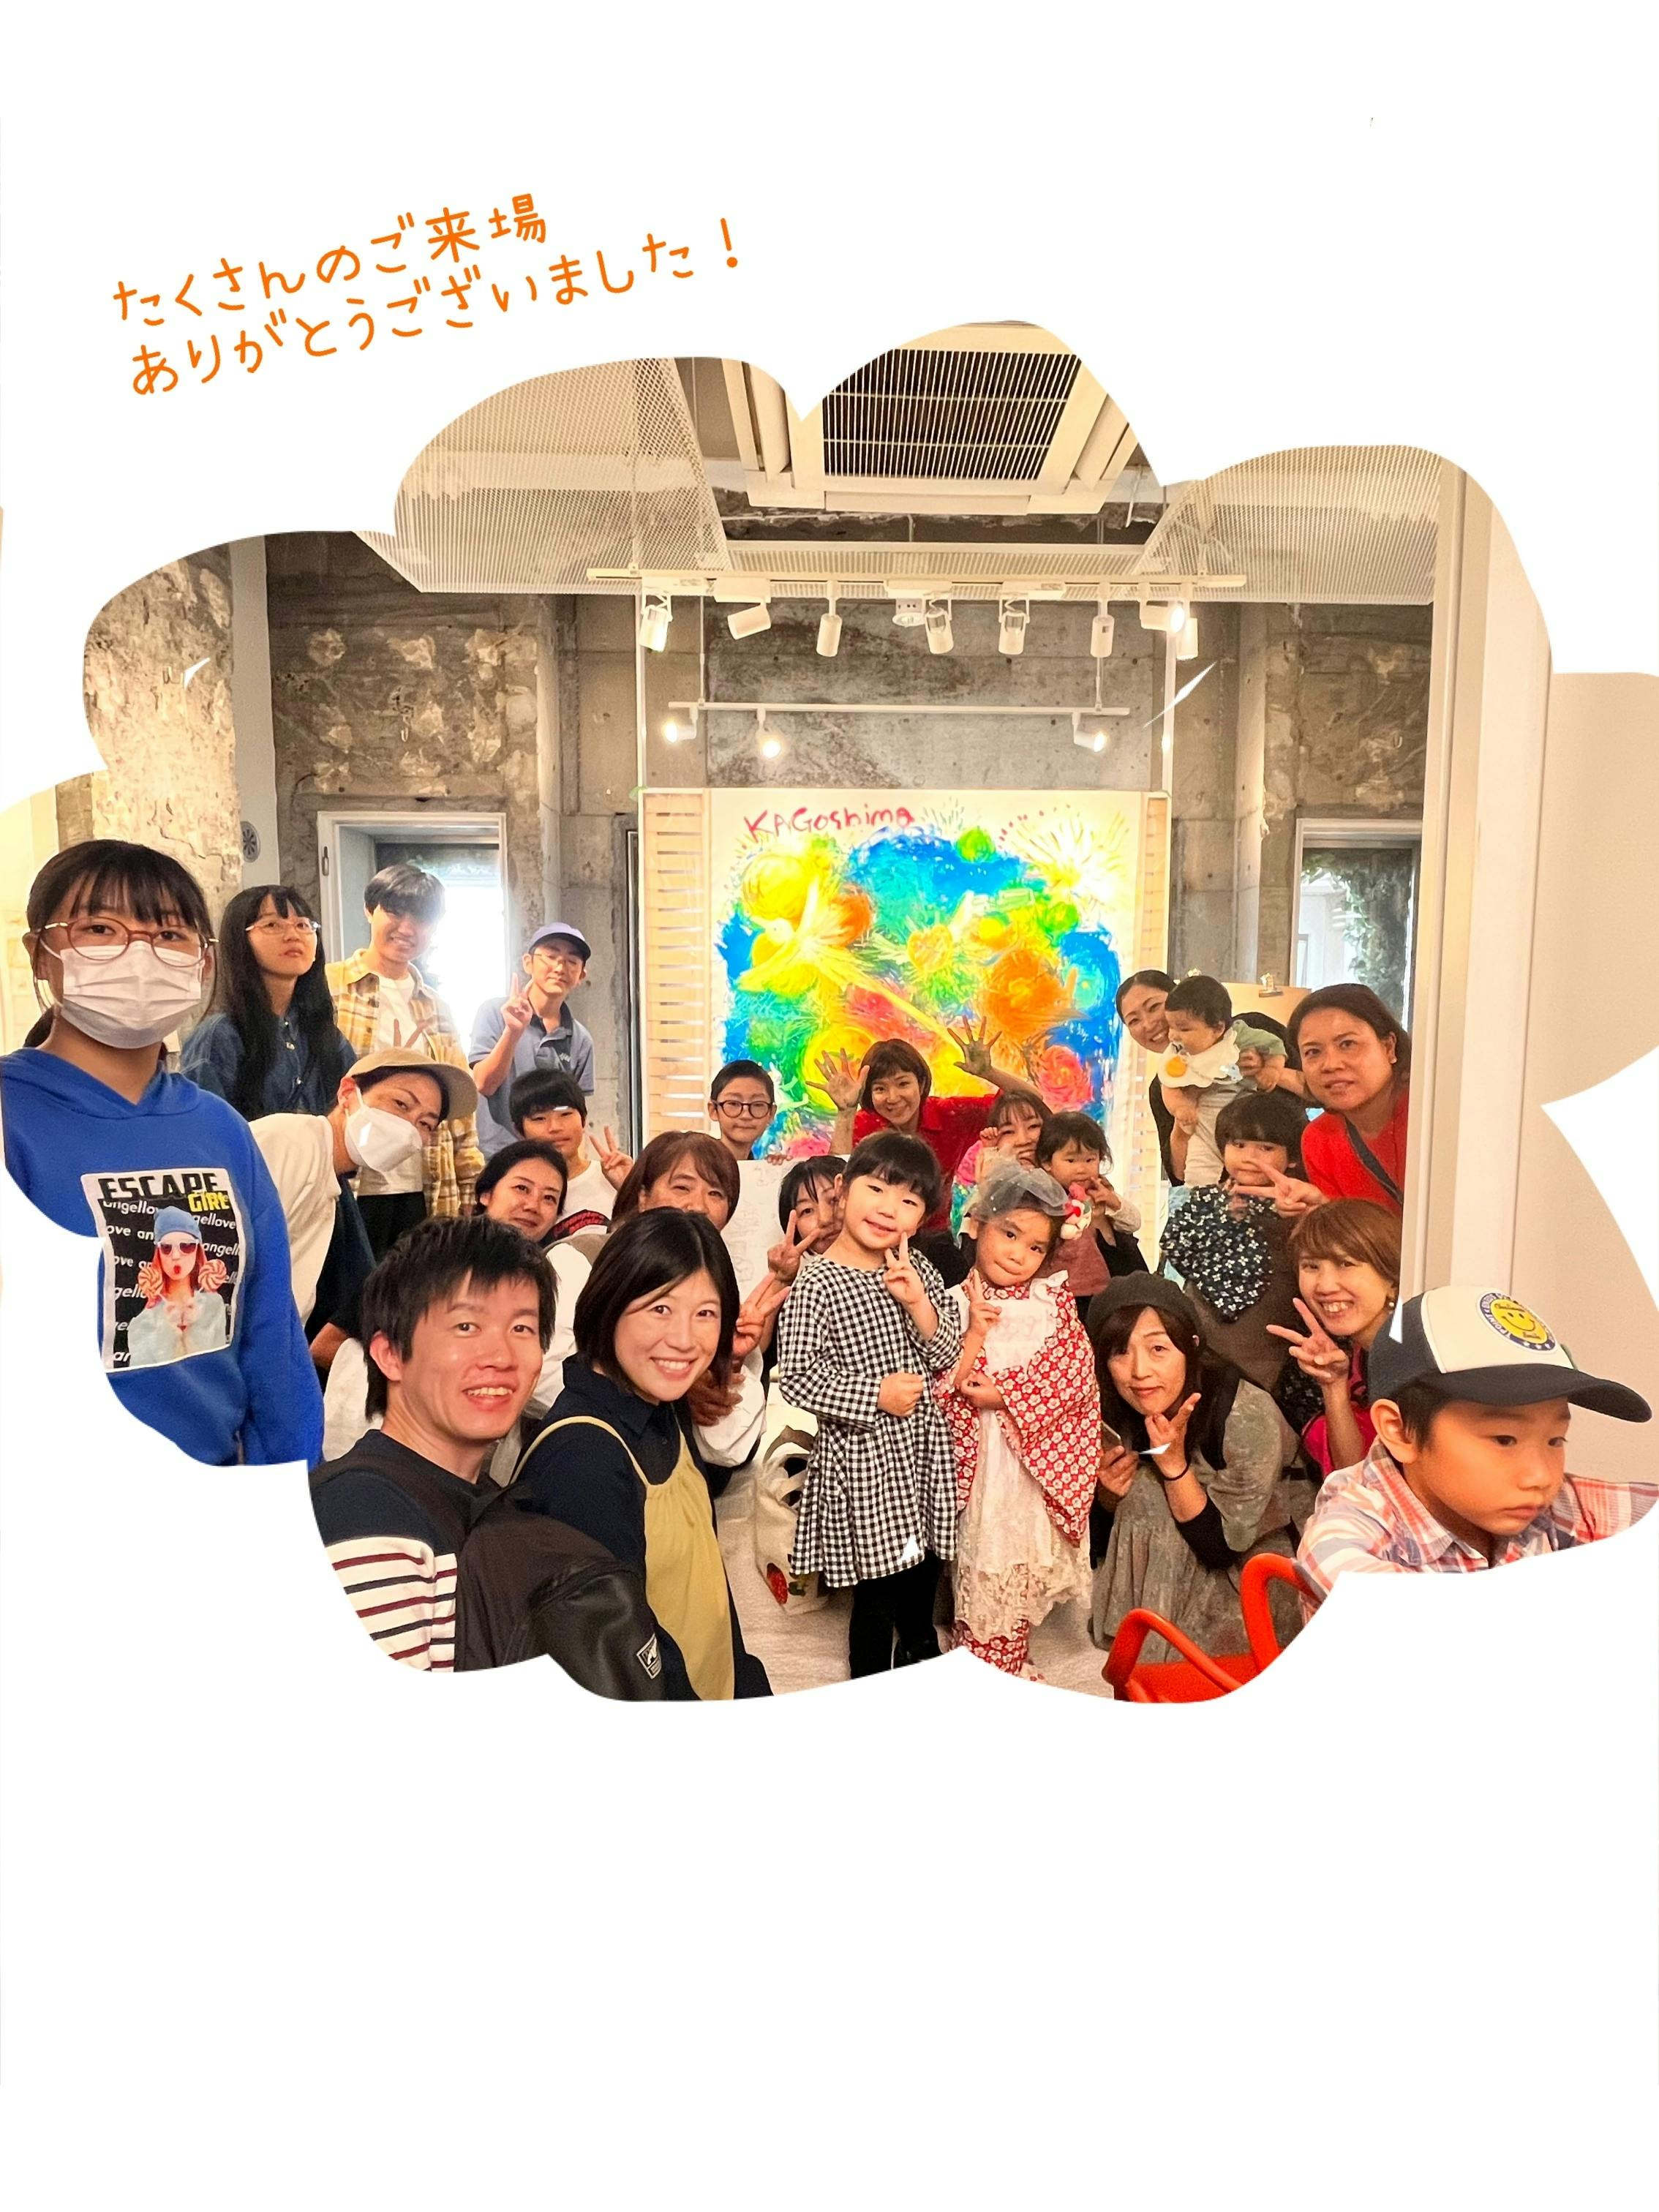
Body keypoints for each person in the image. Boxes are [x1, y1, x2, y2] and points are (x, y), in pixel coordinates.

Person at [1, 838, 321, 1467]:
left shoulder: (220, 1129)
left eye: (170, 935)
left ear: (204, 962)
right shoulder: (15, 1115)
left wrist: (289, 1481)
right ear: (40, 953)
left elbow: (270, 1334)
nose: (139, 954)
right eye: (100, 929)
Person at [514, 1211, 772, 1699]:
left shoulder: (661, 1407)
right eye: (660, 1308)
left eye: (706, 1314)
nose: (684, 1339)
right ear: (609, 1302)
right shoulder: (583, 1459)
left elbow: (705, 1583)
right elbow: (617, 1662)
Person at [1297, 1285, 1653, 1603]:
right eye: (1505, 1439)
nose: (1541, 1477)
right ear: (1400, 1430)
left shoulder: (1542, 1503)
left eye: (1555, 1440)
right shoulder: (1351, 1527)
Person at [775, 1132, 965, 1676]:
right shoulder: (816, 1283)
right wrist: (875, 1393)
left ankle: (920, 1646)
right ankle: (870, 1673)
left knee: (925, 1559)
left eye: (908, 1200)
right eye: (876, 1189)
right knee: (878, 1585)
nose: (888, 1208)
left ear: (922, 1218)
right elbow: (799, 1379)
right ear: (843, 1188)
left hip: (922, 1447)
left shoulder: (915, 1267)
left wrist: (919, 1302)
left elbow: (947, 1352)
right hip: (864, 1459)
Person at [320, 1135, 590, 1472]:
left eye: (550, 1198)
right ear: (486, 1193)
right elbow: (324, 1346)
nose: (534, 1205)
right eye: (522, 1188)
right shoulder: (433, 1258)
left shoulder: (548, 1276)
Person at [1089, 1276, 1311, 1663]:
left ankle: (1174, 1650)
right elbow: (1096, 1540)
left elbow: (1222, 1547)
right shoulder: (1111, 1403)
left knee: (1152, 1492)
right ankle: (1138, 1637)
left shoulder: (1244, 1411)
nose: (1139, 1370)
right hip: (1182, 1548)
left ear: (1191, 1346)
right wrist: (1107, 1494)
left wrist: (1174, 1467)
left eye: (1158, 1349)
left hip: (1253, 1562)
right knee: (1140, 1491)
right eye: (1120, 1352)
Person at [938, 1163, 1100, 1676]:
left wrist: (1006, 1395)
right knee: (981, 1553)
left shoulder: (1052, 1302)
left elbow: (1076, 1374)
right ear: (979, 1224)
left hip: (1031, 1457)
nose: (1018, 1254)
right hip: (977, 1456)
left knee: (1022, 1553)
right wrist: (974, 1370)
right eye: (1009, 1234)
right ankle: (982, 1660)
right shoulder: (950, 1302)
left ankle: (1009, 1655)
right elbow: (938, 1377)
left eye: (1034, 1247)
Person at [250, 1047, 462, 1337]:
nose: (408, 1128)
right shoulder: (289, 1142)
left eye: (425, 1124)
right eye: (401, 1104)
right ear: (348, 1093)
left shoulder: (330, 1187)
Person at [326, 862, 484, 1235]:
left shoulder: (436, 1007)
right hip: (348, 1180)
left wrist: (469, 1182)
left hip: (424, 1183)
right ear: (370, 910)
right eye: (395, 912)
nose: (408, 929)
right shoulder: (328, 987)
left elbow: (459, 1107)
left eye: (422, 919)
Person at [812, 1026, 1043, 1264]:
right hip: (876, 1231)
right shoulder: (864, 1124)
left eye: (903, 1084)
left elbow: (1033, 1101)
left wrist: (989, 1072)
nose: (893, 1097)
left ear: (922, 1084)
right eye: (880, 1089)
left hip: (934, 1238)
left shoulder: (952, 1115)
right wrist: (846, 1112)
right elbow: (834, 1175)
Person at [1156, 1090, 1314, 1396]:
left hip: (1269, 1347)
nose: (1249, 1157)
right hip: (1200, 1342)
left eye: (1266, 1148)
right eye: (1238, 1145)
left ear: (1293, 1157)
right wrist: (1225, 1217)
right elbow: (1176, 1250)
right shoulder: (1206, 1199)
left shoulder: (1302, 1210)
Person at [179, 884, 351, 1120]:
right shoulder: (220, 1036)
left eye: (303, 925)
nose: (293, 935)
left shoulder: (326, 1035)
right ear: (240, 939)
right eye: (272, 925)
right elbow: (205, 1130)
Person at [1267, 1200, 1402, 1476]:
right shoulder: (1366, 1351)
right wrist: (1334, 1385)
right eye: (1311, 1266)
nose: (1325, 1286)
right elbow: (1353, 1473)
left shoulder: (1413, 1358)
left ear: (1392, 1279)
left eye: (1346, 1264)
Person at [1275, 985, 1411, 1216]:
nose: (1331, 1064)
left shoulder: (1431, 1115)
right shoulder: (1319, 1140)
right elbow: (1356, 1236)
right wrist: (1326, 1211)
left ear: (1389, 1047)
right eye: (1313, 1052)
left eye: (1347, 1044)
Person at [468, 920, 596, 1159]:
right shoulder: (495, 1013)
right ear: (528, 962)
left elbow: (575, 1115)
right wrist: (513, 1031)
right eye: (551, 956)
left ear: (581, 975)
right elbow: (484, 1083)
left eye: (572, 961)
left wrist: (577, 1169)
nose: (560, 967)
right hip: (496, 1159)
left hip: (552, 1162)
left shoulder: (581, 1040)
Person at [1034, 1110, 1148, 1307]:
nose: (1082, 1169)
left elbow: (1134, 1223)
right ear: (1047, 1162)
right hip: (1064, 1292)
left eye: (1090, 1160)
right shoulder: (1045, 1197)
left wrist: (1113, 1203)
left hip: (1109, 1287)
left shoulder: (1100, 1190)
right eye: (1071, 1161)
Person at [1156, 974, 1246, 1188]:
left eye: (1184, 1029)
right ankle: (1201, 1193)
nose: (1173, 1036)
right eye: (1171, 1027)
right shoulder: (1177, 1057)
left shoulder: (1238, 1038)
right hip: (1202, 1123)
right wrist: (1181, 1107)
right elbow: (1170, 1087)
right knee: (1199, 1171)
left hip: (1244, 1120)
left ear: (1218, 1029)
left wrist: (1269, 1066)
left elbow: (1272, 1046)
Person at [708, 1058, 787, 1298]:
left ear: (771, 1113)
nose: (745, 1114)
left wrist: (778, 1173)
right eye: (733, 1104)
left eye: (757, 1105)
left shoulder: (765, 1170)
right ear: (713, 1110)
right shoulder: (697, 1166)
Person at [511, 1069, 628, 1230]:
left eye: (565, 1114)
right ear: (519, 1131)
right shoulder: (514, 1189)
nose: (555, 1127)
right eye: (539, 1118)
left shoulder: (613, 1178)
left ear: (584, 1119)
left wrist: (631, 1187)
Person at [1116, 969, 1184, 1187]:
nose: (1147, 1024)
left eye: (1154, 1007)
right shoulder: (1161, 1088)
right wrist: (1184, 1115)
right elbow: (1179, 1177)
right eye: (1134, 1021)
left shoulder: (1246, 1032)